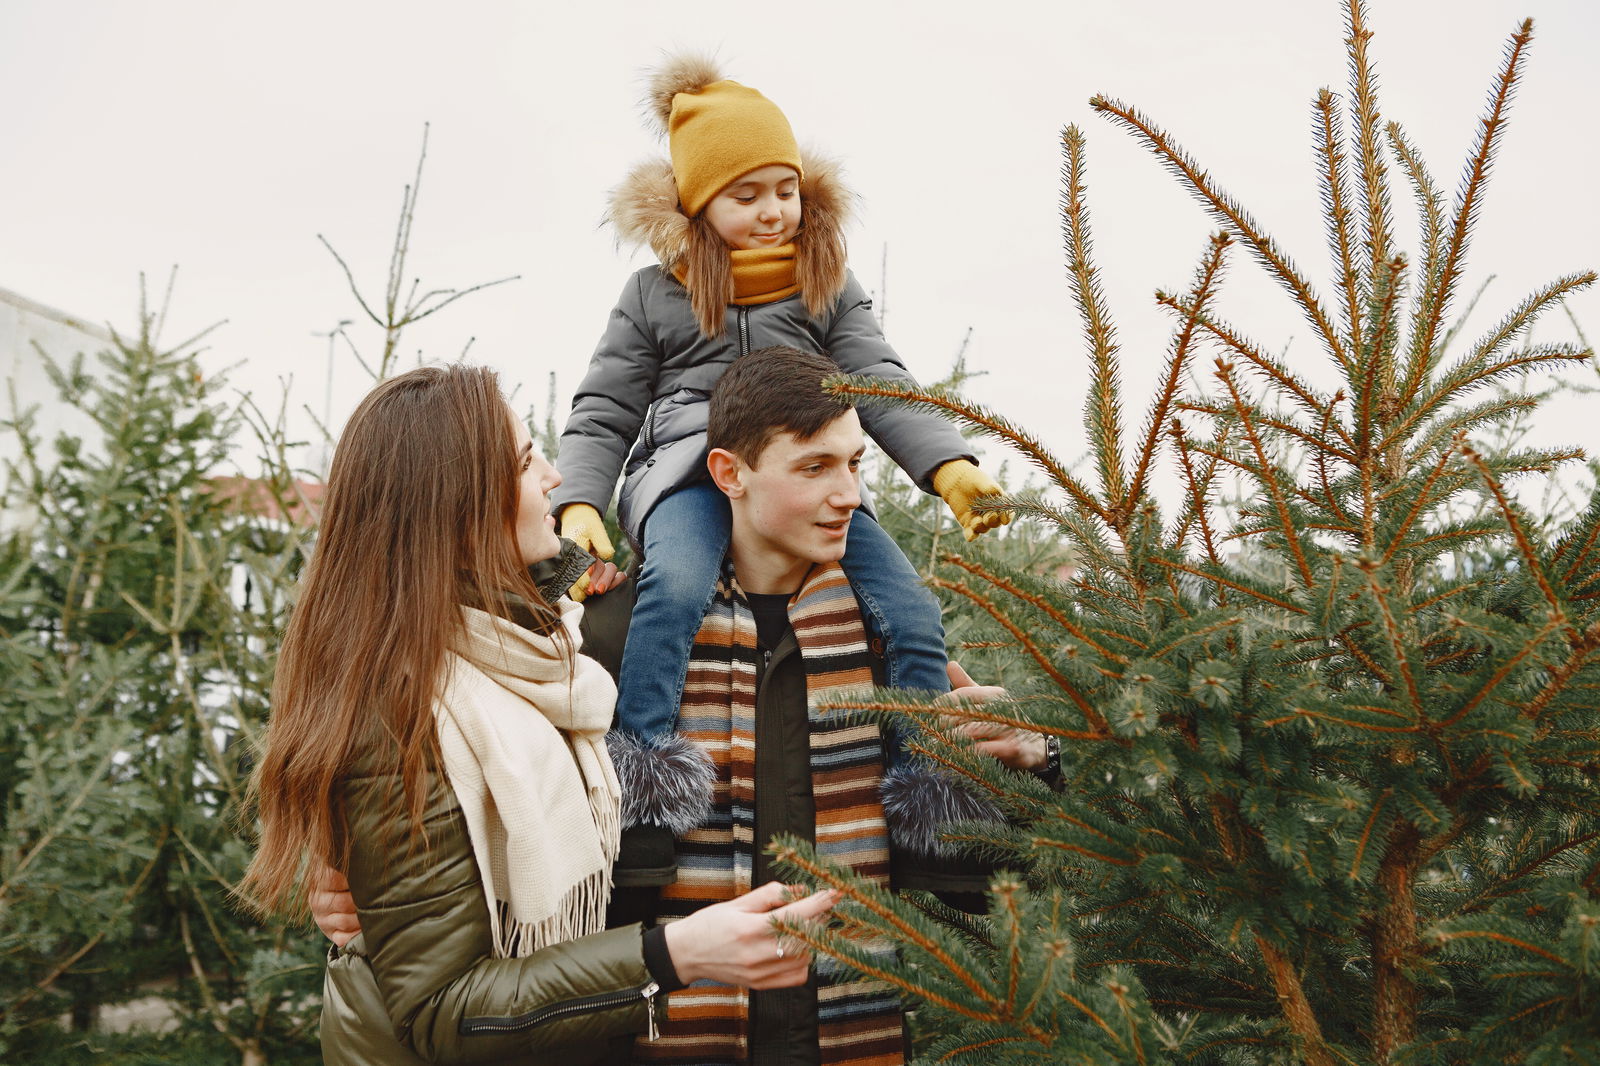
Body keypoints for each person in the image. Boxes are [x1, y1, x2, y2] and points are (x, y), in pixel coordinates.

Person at [240, 364, 839, 1066]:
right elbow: (437, 1008)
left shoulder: (538, 647)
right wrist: (674, 953)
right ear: (462, 503)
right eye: (528, 462)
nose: (555, 477)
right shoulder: (403, 711)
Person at [579, 346, 1051, 1066]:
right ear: (729, 473)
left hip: (850, 1039)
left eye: (855, 463)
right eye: (815, 468)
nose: (849, 495)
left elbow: (983, 888)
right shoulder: (619, 638)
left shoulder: (889, 639)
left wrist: (1033, 762)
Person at [553, 55, 1013, 791]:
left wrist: (947, 465)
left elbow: (879, 379)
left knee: (908, 608)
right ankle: (644, 767)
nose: (772, 212)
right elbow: (606, 409)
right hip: (687, 475)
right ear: (699, 204)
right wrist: (578, 501)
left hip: (805, 478)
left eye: (785, 190)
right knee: (675, 588)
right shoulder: (654, 294)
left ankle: (926, 780)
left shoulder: (823, 284)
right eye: (747, 195)